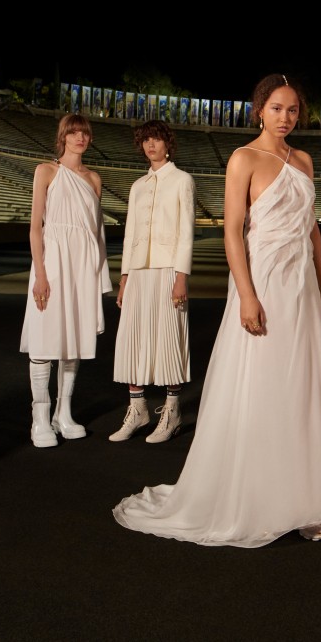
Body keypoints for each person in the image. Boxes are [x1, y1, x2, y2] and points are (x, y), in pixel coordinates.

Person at [113, 73, 321, 546]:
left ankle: (305, 501)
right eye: (276, 108)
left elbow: (312, 231)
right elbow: (232, 232)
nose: (284, 117)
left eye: (292, 110)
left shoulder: (304, 161)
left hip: (301, 287)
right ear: (259, 109)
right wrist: (246, 294)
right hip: (262, 281)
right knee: (263, 385)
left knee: (301, 389)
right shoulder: (243, 158)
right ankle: (259, 499)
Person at [20, 114, 112, 448]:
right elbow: (35, 227)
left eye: (84, 133)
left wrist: (98, 275)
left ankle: (64, 412)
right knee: (45, 338)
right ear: (63, 137)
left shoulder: (94, 178)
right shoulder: (46, 171)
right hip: (53, 262)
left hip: (81, 266)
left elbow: (96, 233)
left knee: (72, 341)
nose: (79, 138)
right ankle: (40, 418)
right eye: (73, 133)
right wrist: (41, 273)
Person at [108, 120, 195, 444]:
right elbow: (130, 233)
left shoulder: (182, 180)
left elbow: (186, 231)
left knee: (169, 337)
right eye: (145, 140)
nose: (150, 145)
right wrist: (124, 278)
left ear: (167, 143)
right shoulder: (137, 186)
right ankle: (138, 408)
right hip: (139, 272)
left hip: (168, 270)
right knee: (134, 336)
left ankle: (172, 411)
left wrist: (181, 277)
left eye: (156, 139)